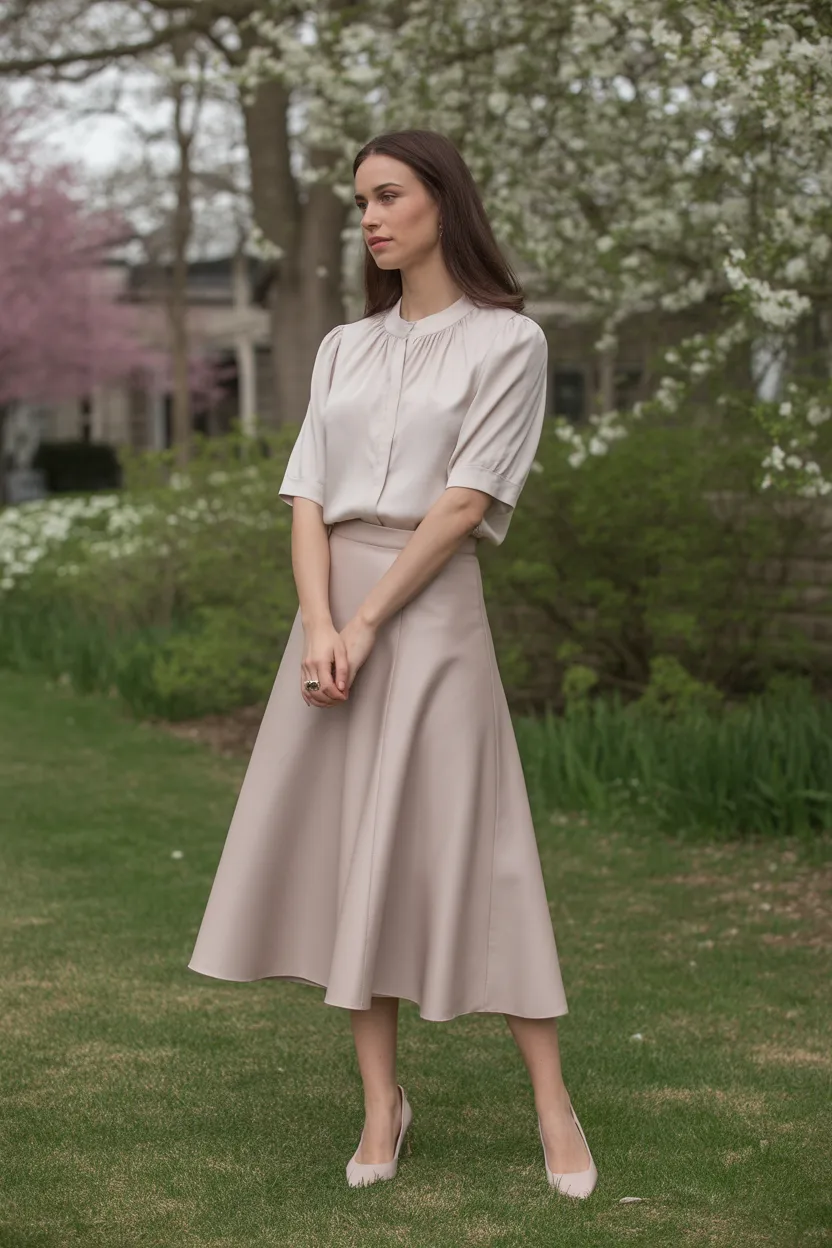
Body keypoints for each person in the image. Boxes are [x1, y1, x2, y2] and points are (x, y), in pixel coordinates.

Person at [188, 128, 597, 1199]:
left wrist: (365, 622)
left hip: (429, 609)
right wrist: (319, 622)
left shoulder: (508, 343)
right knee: (348, 852)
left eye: (387, 196)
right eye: (362, 200)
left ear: (441, 203)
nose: (368, 218)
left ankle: (553, 1105)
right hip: (329, 616)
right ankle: (382, 1105)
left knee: (487, 848)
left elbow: (465, 501)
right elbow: (307, 494)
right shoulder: (341, 346)